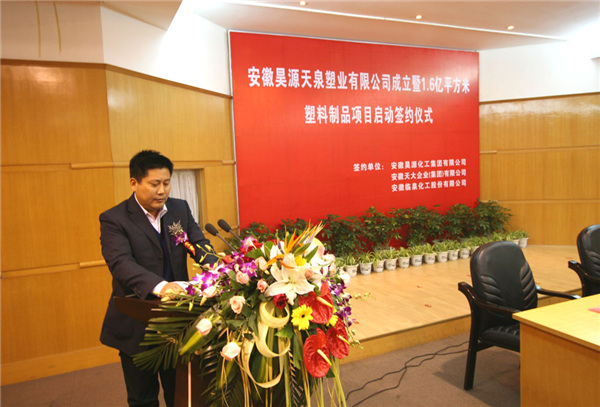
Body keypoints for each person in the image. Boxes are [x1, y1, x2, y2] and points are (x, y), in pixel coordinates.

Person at [99, 150, 217, 407]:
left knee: (182, 394)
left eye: (166, 183)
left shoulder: (179, 209)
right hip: (137, 321)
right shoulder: (115, 219)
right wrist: (162, 287)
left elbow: (198, 243)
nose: (162, 190)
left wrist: (216, 267)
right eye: (154, 184)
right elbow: (121, 264)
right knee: (143, 398)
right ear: (134, 183)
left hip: (178, 322)